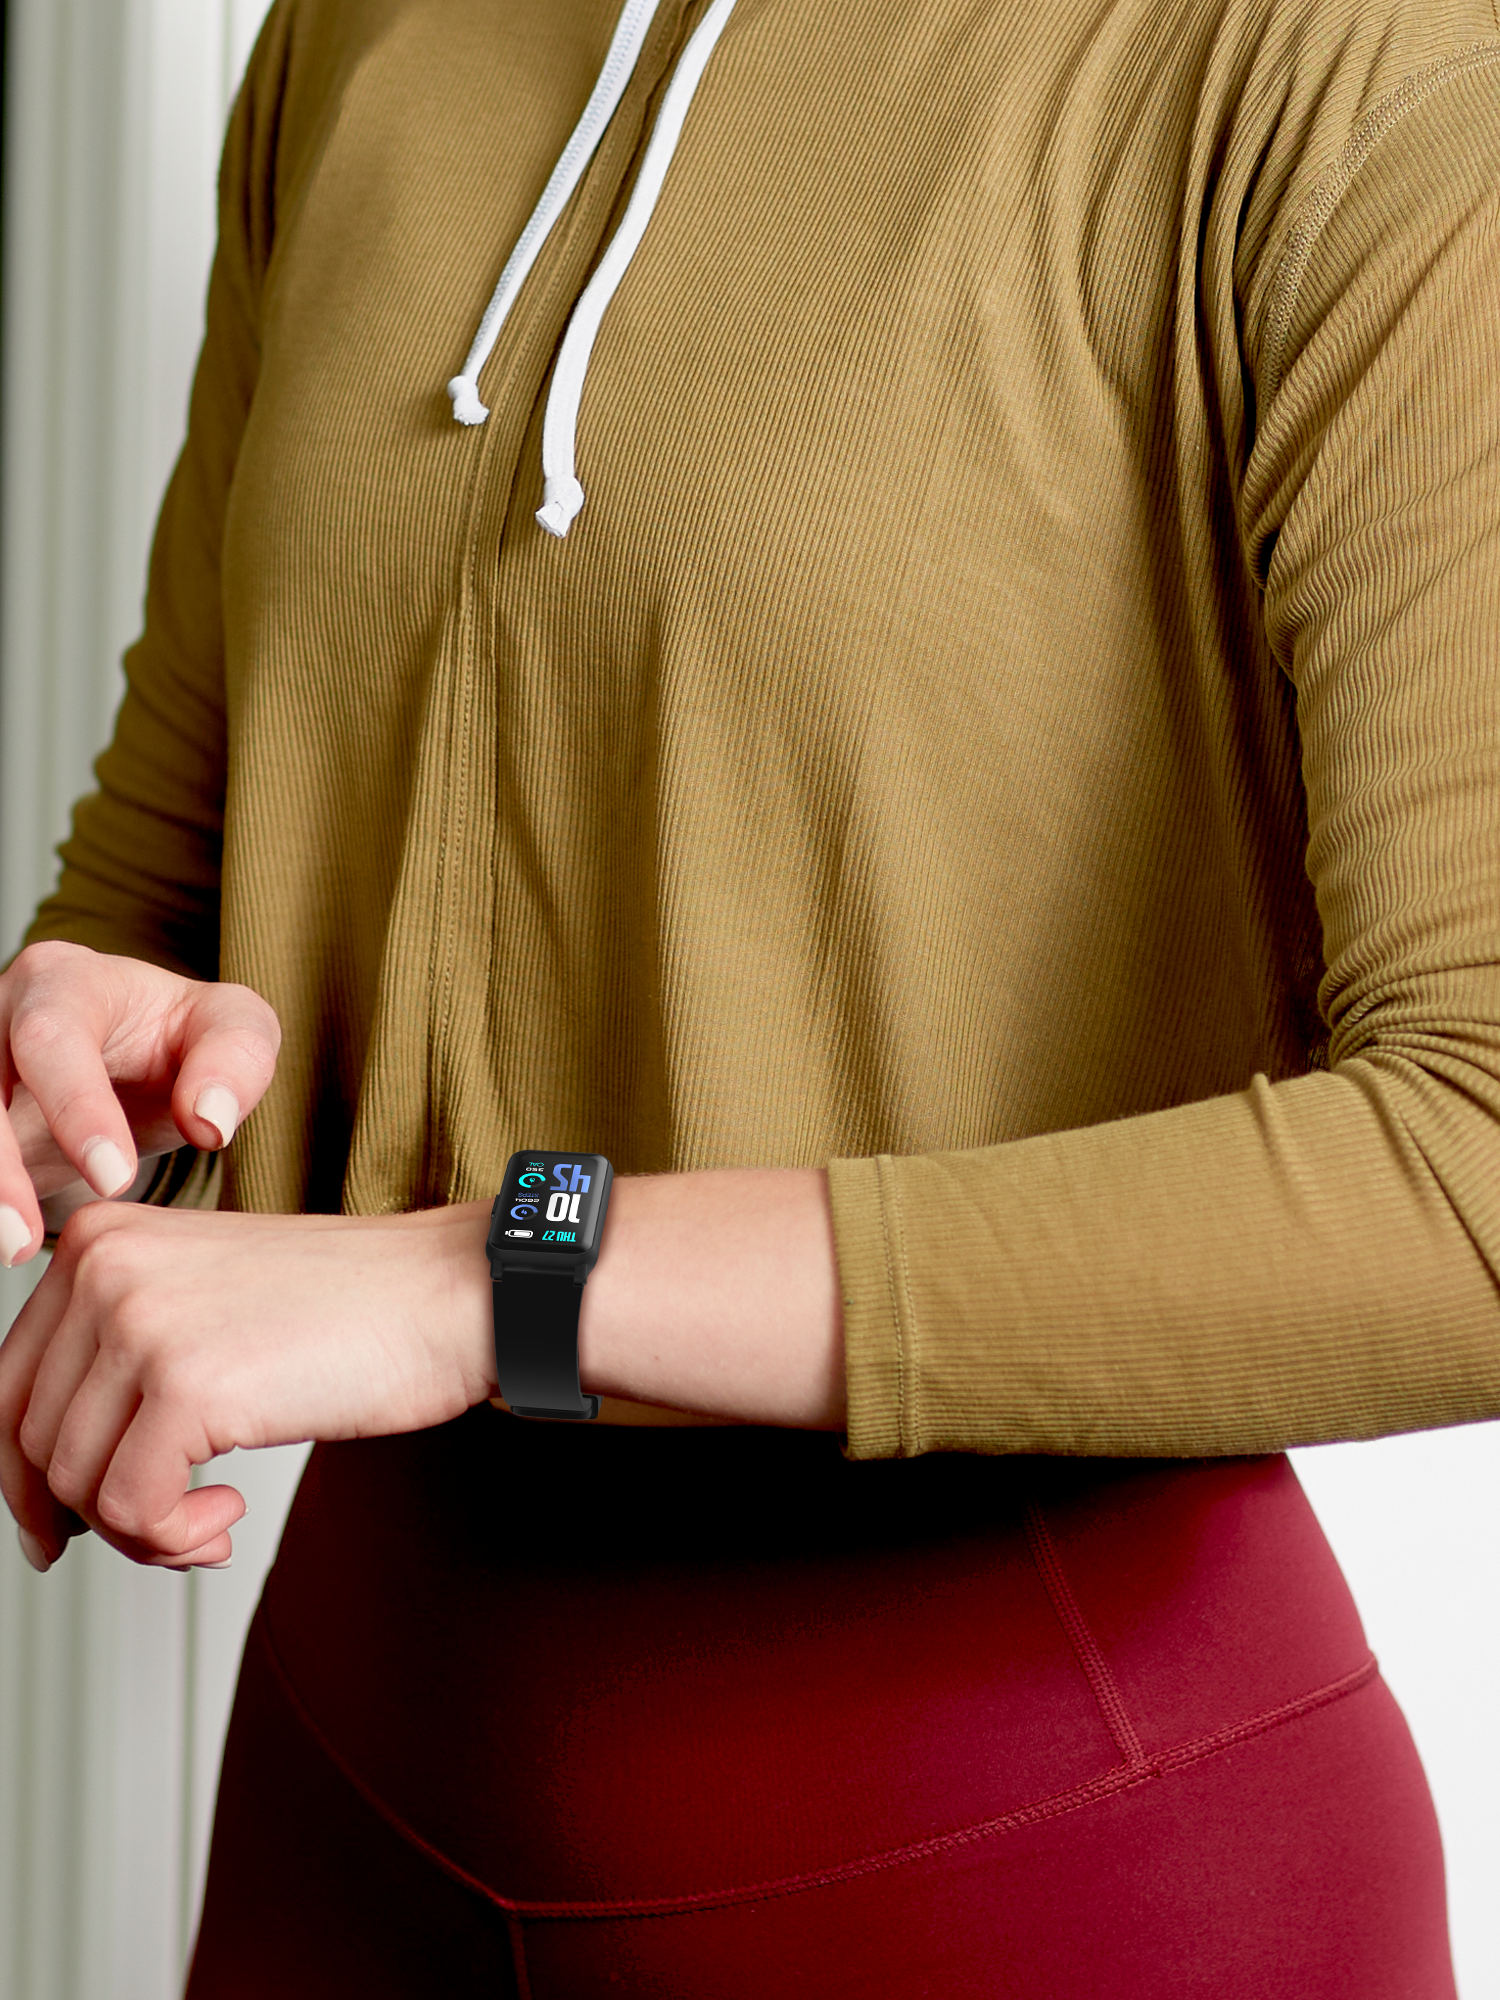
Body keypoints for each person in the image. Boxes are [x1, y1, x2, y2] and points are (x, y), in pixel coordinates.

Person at [2, 0, 1497, 1990]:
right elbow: (175, 856)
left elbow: (1476, 1174)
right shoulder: (359, 29)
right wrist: (94, 1058)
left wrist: (492, 1275)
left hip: (1022, 1851)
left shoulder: (1331, 61)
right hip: (351, 1797)